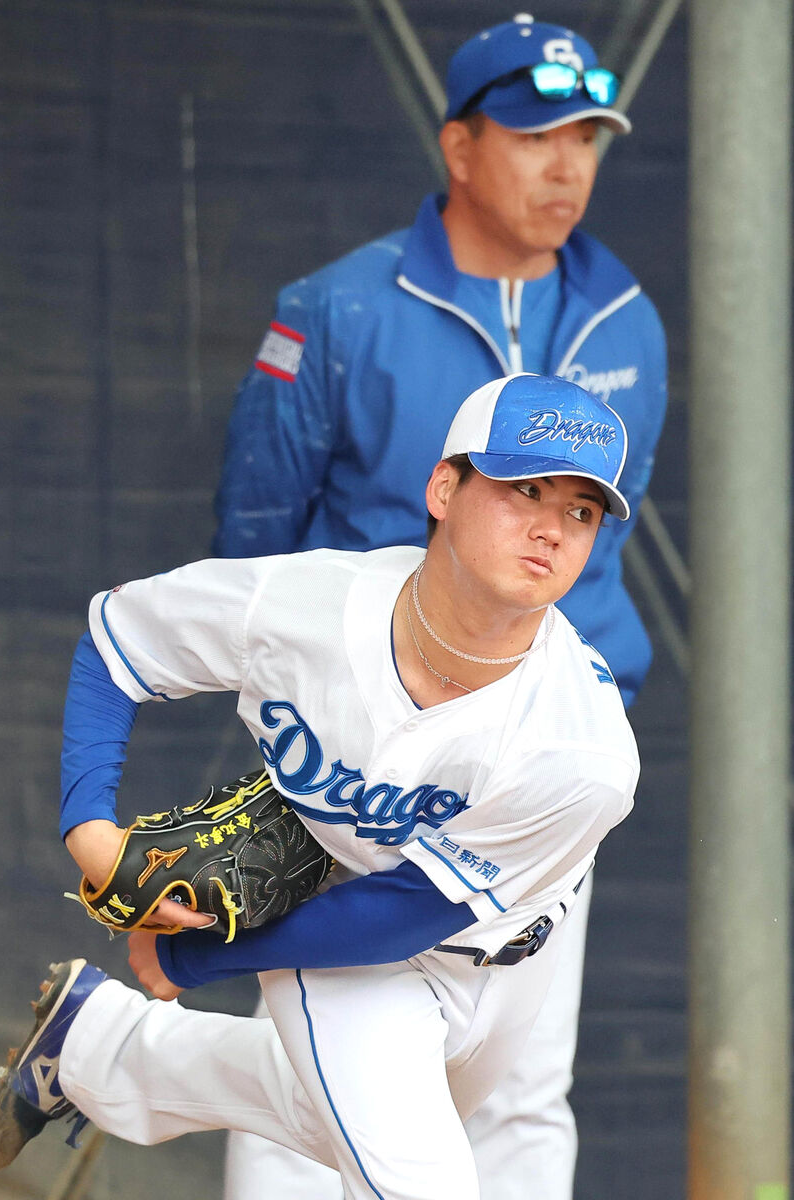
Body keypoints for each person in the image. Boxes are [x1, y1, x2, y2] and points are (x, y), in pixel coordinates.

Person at [0, 373, 641, 1200]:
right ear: (444, 488)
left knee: (329, 1119)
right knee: (419, 1183)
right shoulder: (304, 605)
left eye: (579, 512)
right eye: (524, 489)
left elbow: (411, 913)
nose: (549, 528)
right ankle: (103, 1049)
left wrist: (195, 953)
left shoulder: (584, 749)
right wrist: (89, 827)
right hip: (327, 923)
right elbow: (120, 644)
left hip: (497, 955)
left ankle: (98, 1047)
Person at [212, 14, 667, 1199]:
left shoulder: (627, 322)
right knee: (309, 1065)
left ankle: (102, 1052)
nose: (565, 165)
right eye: (533, 136)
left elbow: (590, 555)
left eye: (585, 137)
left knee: (514, 1089)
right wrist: (292, 744)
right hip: (349, 752)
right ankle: (107, 1053)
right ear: (459, 148)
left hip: (532, 761)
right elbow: (251, 553)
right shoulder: (333, 311)